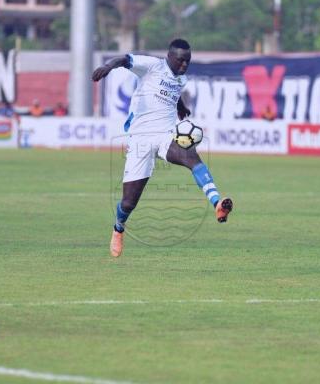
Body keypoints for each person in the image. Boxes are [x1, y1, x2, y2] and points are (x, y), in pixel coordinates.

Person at [92, 38, 233, 257]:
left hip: (166, 135)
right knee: (129, 202)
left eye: (188, 61)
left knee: (191, 157)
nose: (184, 66)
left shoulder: (180, 79)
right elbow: (124, 59)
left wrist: (181, 106)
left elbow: (171, 93)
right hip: (139, 139)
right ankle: (118, 228)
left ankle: (217, 202)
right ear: (169, 57)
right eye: (180, 61)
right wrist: (107, 66)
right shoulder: (152, 66)